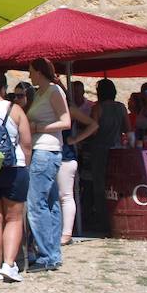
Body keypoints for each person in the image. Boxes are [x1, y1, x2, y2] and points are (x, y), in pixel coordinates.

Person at [0, 71, 32, 283]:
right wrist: (25, 164)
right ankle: (9, 265)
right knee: (14, 218)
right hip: (14, 167)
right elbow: (26, 143)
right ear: (3, 88)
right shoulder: (16, 110)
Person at [25, 58, 71, 271]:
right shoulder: (41, 92)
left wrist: (38, 128)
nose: (29, 75)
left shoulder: (53, 91)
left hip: (46, 150)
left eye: (31, 71)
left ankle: (46, 255)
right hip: (43, 150)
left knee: (36, 204)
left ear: (39, 72)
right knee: (50, 203)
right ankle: (52, 254)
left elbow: (66, 121)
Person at [88, 78, 132, 234]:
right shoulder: (121, 107)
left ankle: (103, 222)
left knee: (100, 186)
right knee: (116, 185)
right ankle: (117, 216)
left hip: (100, 150)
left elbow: (93, 130)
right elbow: (128, 129)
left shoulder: (97, 108)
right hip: (117, 150)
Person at [60, 103, 98, 244]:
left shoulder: (70, 109)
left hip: (65, 155)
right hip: (57, 154)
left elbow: (93, 125)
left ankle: (66, 233)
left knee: (66, 196)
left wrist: (75, 139)